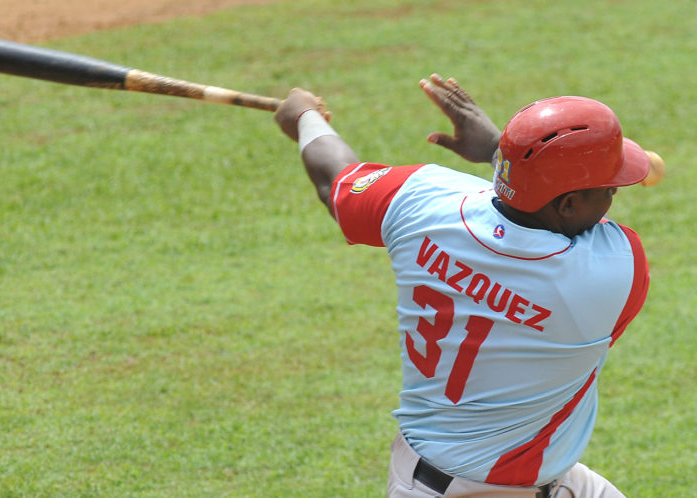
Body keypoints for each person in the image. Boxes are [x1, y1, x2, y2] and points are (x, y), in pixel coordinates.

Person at [274, 74, 650, 498]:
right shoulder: (613, 272)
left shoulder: (422, 200)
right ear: (567, 204)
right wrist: (495, 152)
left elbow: (336, 180)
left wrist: (305, 117)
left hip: (449, 472)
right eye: (609, 190)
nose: (614, 196)